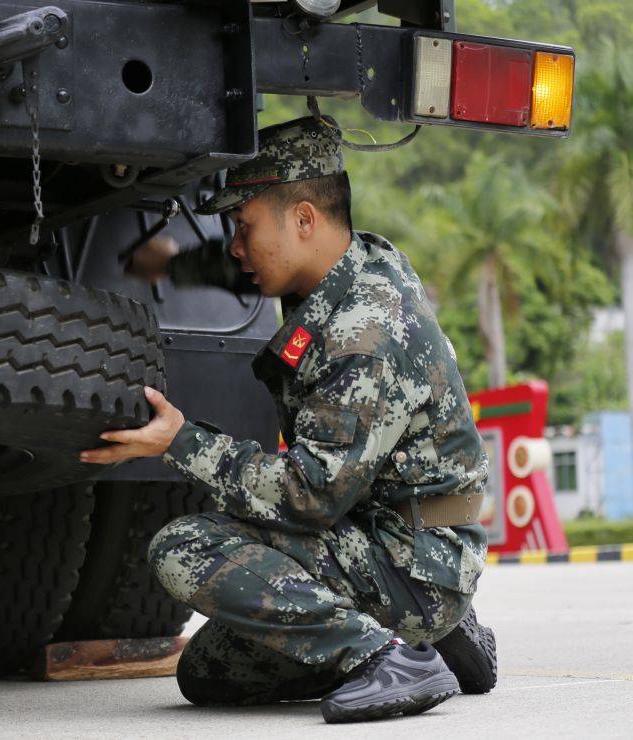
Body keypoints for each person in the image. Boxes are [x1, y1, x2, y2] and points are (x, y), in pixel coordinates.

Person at [79, 116, 496, 723]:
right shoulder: (351, 265)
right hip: (394, 540)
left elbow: (309, 496)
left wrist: (178, 441)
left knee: (183, 547)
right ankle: (446, 637)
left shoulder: (365, 331)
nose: (237, 247)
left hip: (411, 561)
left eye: (243, 227)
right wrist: (168, 265)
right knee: (208, 675)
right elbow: (237, 269)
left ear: (304, 218)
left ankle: (392, 655)